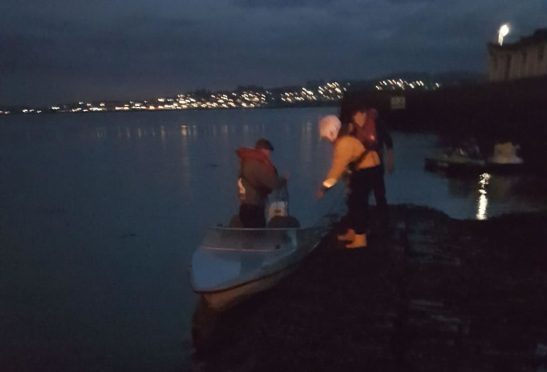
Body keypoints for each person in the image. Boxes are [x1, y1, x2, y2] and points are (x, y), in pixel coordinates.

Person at [316, 109, 382, 249]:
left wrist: (323, 189)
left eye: (327, 137)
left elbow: (336, 171)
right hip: (364, 170)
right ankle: (353, 232)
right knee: (353, 202)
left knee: (359, 204)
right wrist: (348, 181)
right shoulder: (344, 141)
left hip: (367, 170)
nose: (327, 140)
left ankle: (360, 238)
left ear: (332, 132)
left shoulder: (344, 144)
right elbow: (345, 166)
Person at [350, 107, 394, 233]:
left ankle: (362, 225)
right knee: (380, 193)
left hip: (361, 166)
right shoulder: (379, 124)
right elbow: (389, 142)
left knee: (362, 195)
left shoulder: (357, 126)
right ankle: (384, 222)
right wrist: (390, 160)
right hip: (376, 164)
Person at [236, 138, 286, 228]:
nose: (269, 154)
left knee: (249, 233)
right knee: (257, 234)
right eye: (268, 151)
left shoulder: (247, 162)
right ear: (262, 150)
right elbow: (273, 183)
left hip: (246, 205)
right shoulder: (256, 164)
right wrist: (283, 180)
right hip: (253, 207)